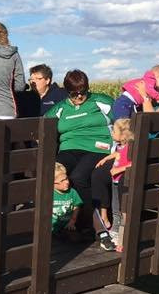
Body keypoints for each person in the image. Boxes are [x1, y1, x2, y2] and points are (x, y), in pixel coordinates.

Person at [47, 69, 114, 211]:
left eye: (82, 92)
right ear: (67, 91)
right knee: (51, 173)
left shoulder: (101, 101)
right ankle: (57, 219)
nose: (79, 96)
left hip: (96, 148)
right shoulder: (61, 108)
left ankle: (90, 220)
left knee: (78, 177)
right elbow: (42, 125)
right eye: (74, 93)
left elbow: (124, 121)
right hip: (69, 149)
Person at [91, 118, 134, 241]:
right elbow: (117, 154)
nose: (112, 133)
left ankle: (123, 235)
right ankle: (115, 231)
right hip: (115, 181)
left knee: (122, 208)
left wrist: (118, 170)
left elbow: (132, 163)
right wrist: (106, 158)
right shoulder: (120, 146)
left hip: (122, 180)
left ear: (124, 135)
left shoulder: (130, 148)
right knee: (115, 208)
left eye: (114, 131)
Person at [52, 162, 83, 236]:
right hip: (52, 226)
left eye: (66, 178)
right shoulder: (49, 194)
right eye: (62, 181)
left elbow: (76, 206)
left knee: (75, 239)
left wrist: (72, 221)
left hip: (67, 225)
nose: (67, 182)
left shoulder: (72, 192)